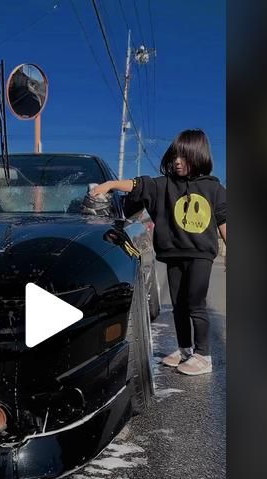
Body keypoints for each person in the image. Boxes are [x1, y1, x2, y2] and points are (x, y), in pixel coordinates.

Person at [91, 129, 226, 375]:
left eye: (183, 157)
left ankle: (203, 355)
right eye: (174, 156)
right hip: (174, 254)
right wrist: (110, 184)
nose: (177, 161)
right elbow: (138, 185)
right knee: (178, 306)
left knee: (195, 304)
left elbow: (224, 220)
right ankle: (185, 350)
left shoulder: (214, 189)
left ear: (198, 156)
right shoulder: (164, 185)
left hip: (200, 255)